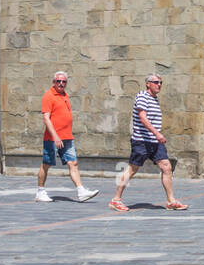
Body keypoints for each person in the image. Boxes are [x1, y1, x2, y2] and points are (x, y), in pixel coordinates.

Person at [108, 74, 188, 212]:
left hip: (154, 142)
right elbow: (142, 118)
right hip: (142, 141)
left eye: (161, 82)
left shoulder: (154, 99)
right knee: (132, 169)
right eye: (156, 82)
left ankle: (171, 201)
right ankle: (116, 200)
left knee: (166, 167)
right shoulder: (142, 97)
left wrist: (156, 136)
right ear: (148, 84)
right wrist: (157, 133)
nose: (159, 85)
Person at [36, 71, 99, 202]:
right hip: (52, 138)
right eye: (58, 81)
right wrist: (56, 137)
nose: (61, 84)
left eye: (63, 82)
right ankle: (40, 192)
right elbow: (46, 119)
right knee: (46, 164)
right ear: (53, 82)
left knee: (73, 163)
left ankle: (81, 191)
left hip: (67, 137)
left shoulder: (65, 95)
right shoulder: (48, 96)